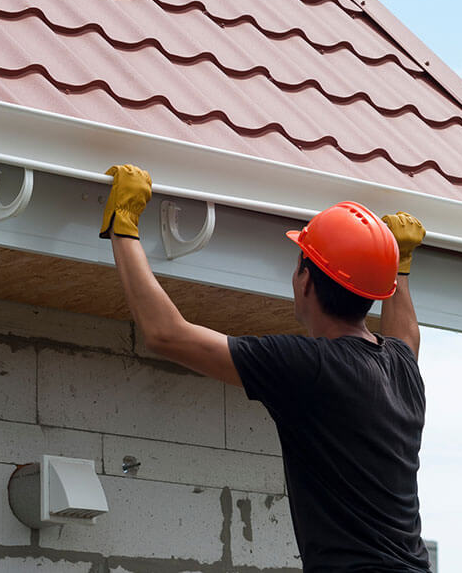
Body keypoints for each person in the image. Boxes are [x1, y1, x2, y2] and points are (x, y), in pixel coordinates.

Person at [102, 163, 431, 572]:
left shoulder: (309, 367)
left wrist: (124, 225)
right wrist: (399, 264)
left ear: (305, 279)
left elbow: (167, 334)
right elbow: (407, 336)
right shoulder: (401, 368)